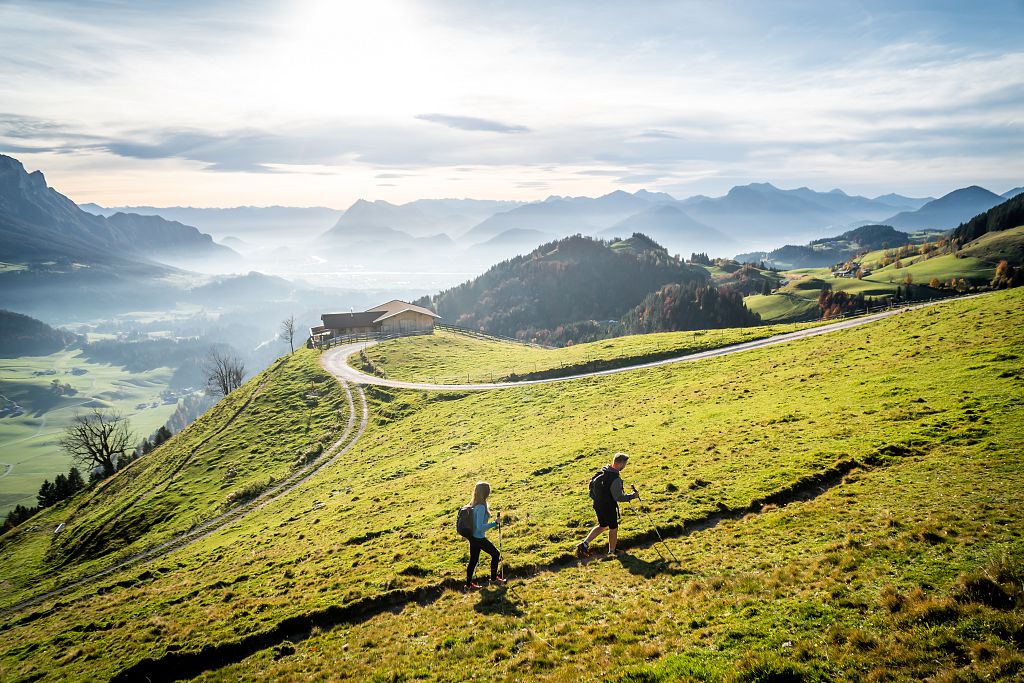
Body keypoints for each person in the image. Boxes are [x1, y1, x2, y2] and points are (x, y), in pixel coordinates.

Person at [576, 453, 638, 557]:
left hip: (597, 504)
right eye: (625, 464)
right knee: (613, 528)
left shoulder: (603, 471)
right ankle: (612, 552)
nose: (625, 466)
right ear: (621, 463)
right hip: (608, 506)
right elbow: (618, 497)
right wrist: (632, 496)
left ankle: (584, 544)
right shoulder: (614, 478)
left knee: (603, 525)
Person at [465, 481, 506, 589]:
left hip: (472, 537)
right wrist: (495, 523)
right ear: (485, 493)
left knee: (473, 560)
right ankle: (493, 579)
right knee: (496, 554)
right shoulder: (481, 507)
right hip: (479, 538)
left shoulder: (472, 504)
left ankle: (468, 585)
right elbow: (480, 526)